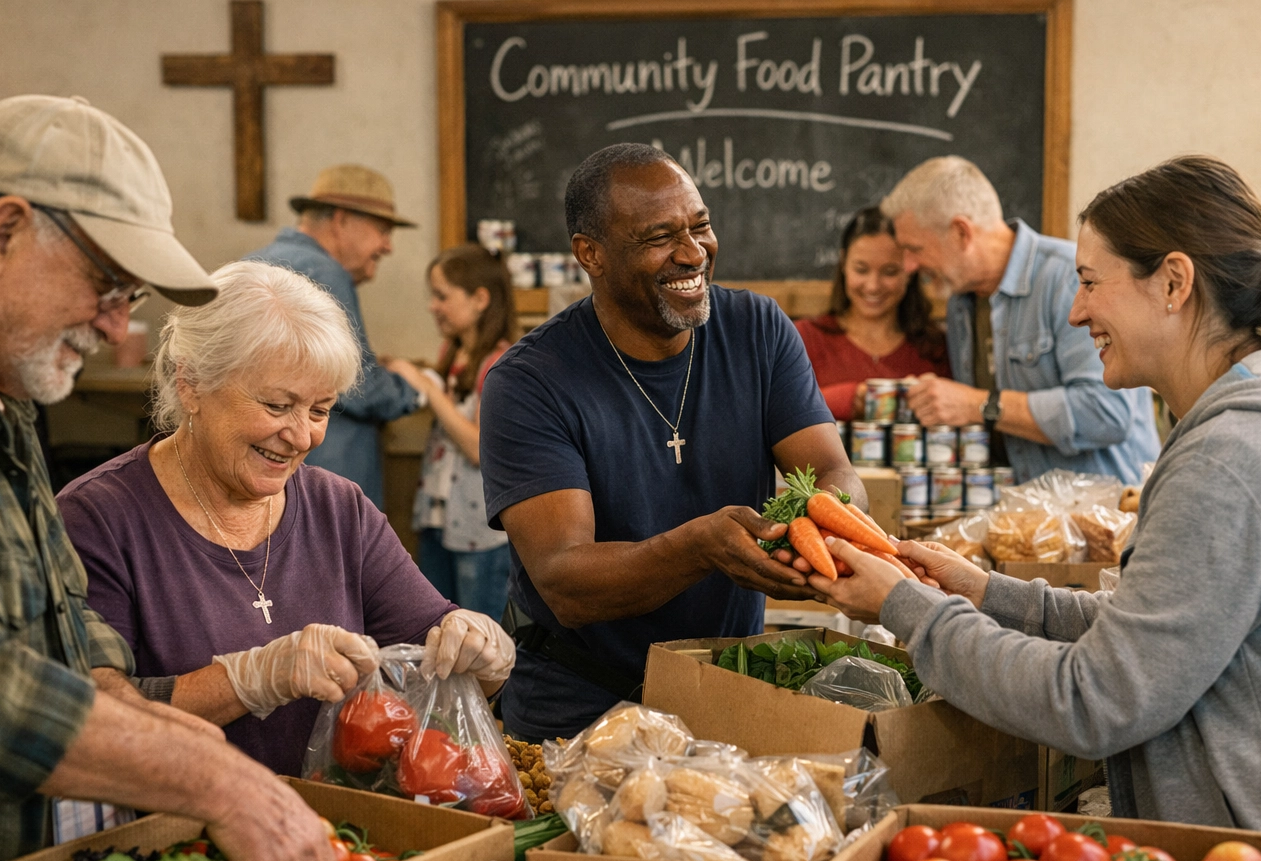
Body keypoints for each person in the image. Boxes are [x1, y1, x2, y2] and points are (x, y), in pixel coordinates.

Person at [812, 157, 1261, 861]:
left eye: (1091, 282)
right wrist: (983, 592)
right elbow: (1164, 629)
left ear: (1173, 283)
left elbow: (1097, 700)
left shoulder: (1236, 457)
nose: (1076, 311)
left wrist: (909, 610)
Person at [0, 94, 341, 861]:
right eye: (107, 288)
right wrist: (218, 779)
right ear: (1, 234)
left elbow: (70, 624)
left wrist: (145, 718)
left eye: (128, 300)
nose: (113, 327)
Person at [57, 260, 516, 778]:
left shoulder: (339, 510)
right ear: (191, 384)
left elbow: (440, 653)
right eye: (278, 406)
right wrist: (251, 679)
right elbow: (86, 717)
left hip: (336, 820)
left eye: (320, 411)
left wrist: (482, 654)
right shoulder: (97, 519)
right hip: (175, 822)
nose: (301, 437)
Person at [479, 142, 863, 742]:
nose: (693, 253)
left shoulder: (758, 330)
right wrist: (700, 548)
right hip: (580, 705)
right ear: (590, 254)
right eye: (659, 237)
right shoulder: (530, 381)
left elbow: (834, 472)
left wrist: (822, 525)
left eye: (700, 225)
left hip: (726, 687)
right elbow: (566, 581)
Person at [881, 155, 1160, 483]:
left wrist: (978, 405)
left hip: (1109, 507)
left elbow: (1106, 413)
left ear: (961, 232)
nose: (909, 266)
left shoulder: (1069, 278)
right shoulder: (960, 303)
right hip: (1022, 509)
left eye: (915, 249)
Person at [246, 164, 420, 507]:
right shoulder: (324, 273)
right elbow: (357, 385)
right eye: (383, 231)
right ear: (341, 220)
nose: (387, 247)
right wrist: (416, 389)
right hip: (318, 489)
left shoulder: (252, 262)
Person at [388, 244, 521, 620]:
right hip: (439, 519)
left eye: (442, 296)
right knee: (436, 624)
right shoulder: (453, 353)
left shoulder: (500, 362)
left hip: (479, 532)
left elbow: (479, 448)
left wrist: (430, 390)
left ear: (480, 299)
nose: (433, 306)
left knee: (478, 631)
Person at [794, 205, 949, 420]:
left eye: (889, 272)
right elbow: (769, 414)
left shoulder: (936, 347)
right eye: (861, 269)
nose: (873, 286)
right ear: (843, 264)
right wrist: (848, 399)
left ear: (910, 271)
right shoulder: (802, 339)